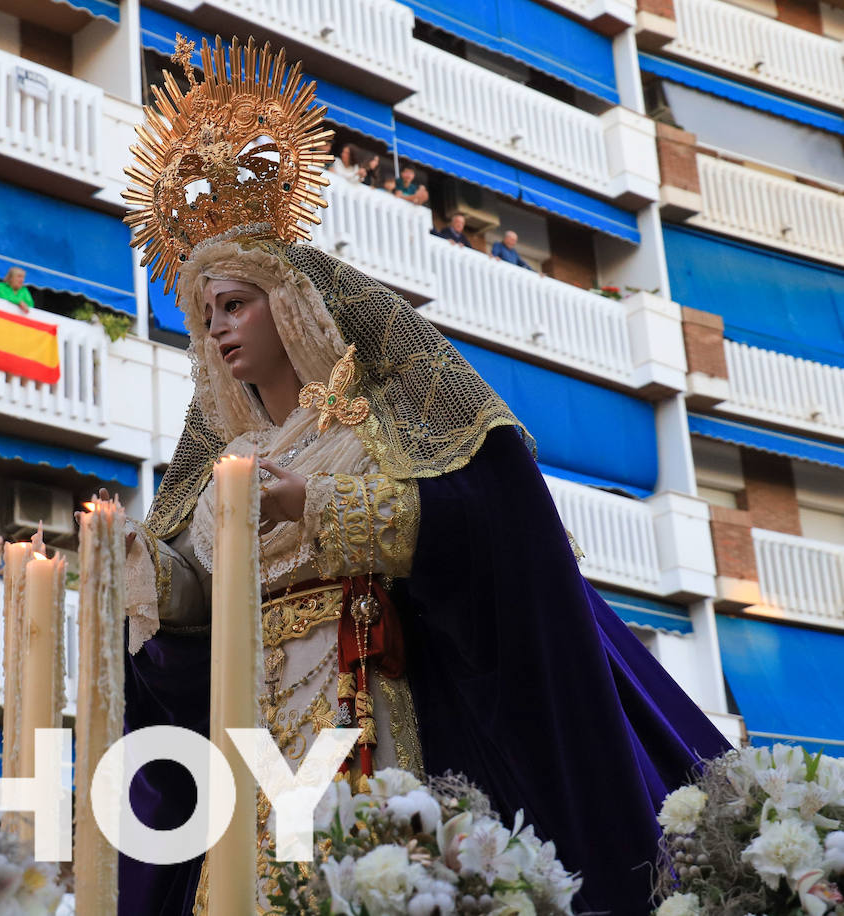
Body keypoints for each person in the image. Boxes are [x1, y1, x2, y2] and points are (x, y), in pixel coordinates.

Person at [116, 38, 729, 916]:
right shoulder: (217, 473)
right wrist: (144, 568)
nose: (217, 329)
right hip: (249, 731)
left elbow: (483, 522)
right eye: (206, 312)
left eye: (236, 304)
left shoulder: (376, 428)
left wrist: (314, 502)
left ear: (290, 304)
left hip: (360, 701)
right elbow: (197, 605)